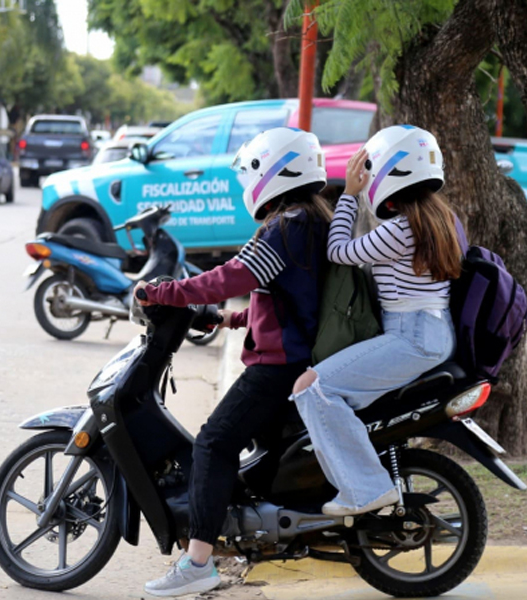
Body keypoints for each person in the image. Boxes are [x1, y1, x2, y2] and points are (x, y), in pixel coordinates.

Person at [135, 128, 332, 597]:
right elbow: (290, 301)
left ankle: (198, 561)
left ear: (273, 172)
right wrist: (231, 319)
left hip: (278, 367)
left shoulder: (285, 228)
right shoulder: (312, 221)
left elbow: (231, 276)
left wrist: (163, 290)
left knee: (213, 443)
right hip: (297, 356)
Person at [291, 125, 461, 517]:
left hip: (411, 337)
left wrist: (349, 194)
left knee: (312, 389)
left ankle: (366, 490)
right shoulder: (441, 219)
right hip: (432, 333)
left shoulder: (400, 230)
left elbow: (337, 251)